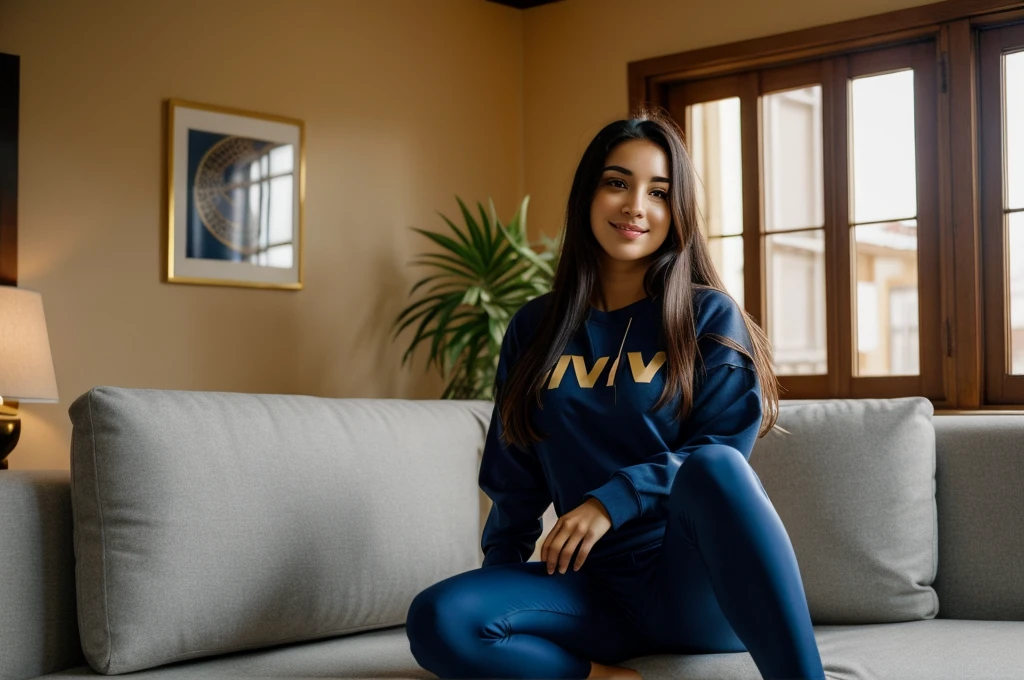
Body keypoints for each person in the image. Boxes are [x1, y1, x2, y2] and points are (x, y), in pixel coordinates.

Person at [405, 108, 826, 680]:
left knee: (717, 467)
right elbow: (515, 480)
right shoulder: (536, 328)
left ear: (676, 214)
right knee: (439, 617)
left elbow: (720, 458)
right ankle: (604, 678)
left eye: (659, 192)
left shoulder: (708, 317)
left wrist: (613, 499)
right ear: (588, 196)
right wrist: (497, 580)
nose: (635, 207)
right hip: (592, 592)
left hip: (694, 591)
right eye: (617, 183)